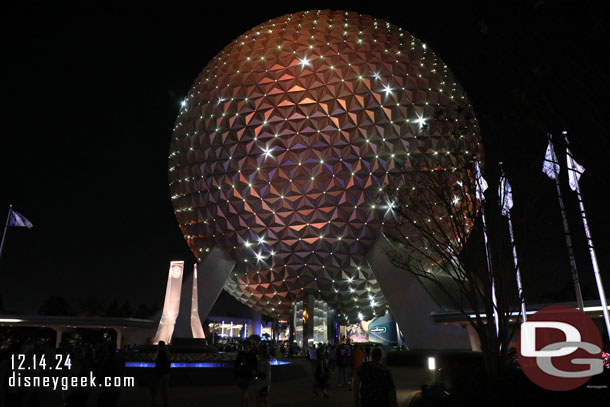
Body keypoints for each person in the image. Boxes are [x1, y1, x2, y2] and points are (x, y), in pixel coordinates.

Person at [234, 340, 259, 407]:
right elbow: (236, 364)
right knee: (243, 391)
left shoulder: (252, 355)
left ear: (249, 345)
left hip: (247, 375)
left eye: (246, 345)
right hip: (240, 374)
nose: (244, 346)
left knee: (243, 391)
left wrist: (254, 374)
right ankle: (246, 404)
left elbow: (255, 365)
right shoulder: (241, 354)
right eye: (244, 345)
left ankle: (242, 404)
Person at [152, 341, 171, 407]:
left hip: (161, 374)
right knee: (165, 389)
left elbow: (160, 364)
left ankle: (155, 402)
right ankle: (166, 403)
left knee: (156, 388)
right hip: (166, 373)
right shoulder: (167, 353)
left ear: (160, 346)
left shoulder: (161, 354)